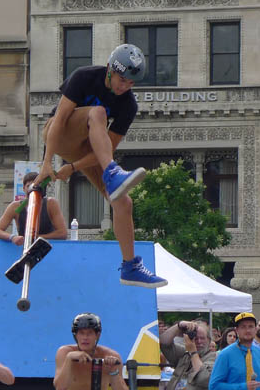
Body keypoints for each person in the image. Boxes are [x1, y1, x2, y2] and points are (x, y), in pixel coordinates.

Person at [35, 44, 167, 288]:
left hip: (88, 151)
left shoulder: (129, 106)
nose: (124, 87)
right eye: (121, 80)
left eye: (130, 84)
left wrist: (73, 167)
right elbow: (59, 121)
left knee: (123, 201)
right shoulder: (84, 76)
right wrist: (47, 162)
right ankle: (113, 172)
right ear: (110, 69)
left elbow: (106, 149)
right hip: (59, 132)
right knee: (97, 112)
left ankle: (130, 266)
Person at [0, 171, 67, 245]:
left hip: (47, 249)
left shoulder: (51, 203)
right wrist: (12, 237)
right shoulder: (15, 206)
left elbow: (62, 233)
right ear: (24, 188)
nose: (33, 190)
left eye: (36, 186)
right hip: (24, 248)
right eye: (29, 186)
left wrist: (37, 238)